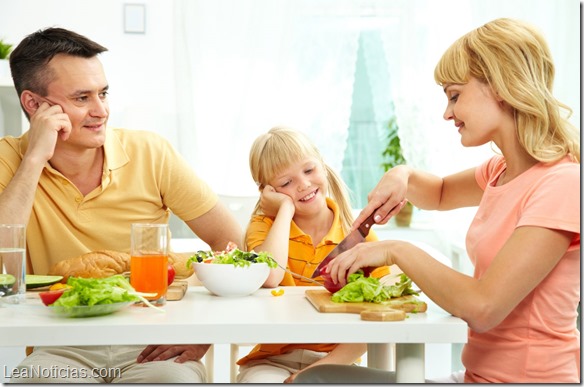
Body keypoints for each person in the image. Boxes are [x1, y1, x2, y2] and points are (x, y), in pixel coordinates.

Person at [294, 18, 580, 384]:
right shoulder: (501, 171)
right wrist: (403, 175)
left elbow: (483, 307)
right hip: (477, 377)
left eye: (455, 95)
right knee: (318, 380)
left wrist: (396, 250)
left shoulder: (562, 184)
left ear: (502, 85)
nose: (447, 113)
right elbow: (441, 192)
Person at [0, 27, 243, 383]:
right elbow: (4, 266)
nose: (101, 111)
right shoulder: (10, 159)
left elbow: (234, 248)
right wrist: (35, 158)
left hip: (154, 346)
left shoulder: (151, 153)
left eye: (103, 93)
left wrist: (202, 334)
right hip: (60, 347)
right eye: (82, 98)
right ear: (34, 105)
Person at [235, 126, 396, 383]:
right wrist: (285, 209)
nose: (304, 185)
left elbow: (378, 322)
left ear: (322, 165)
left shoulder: (356, 235)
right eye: (286, 183)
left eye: (309, 170)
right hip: (271, 361)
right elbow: (271, 276)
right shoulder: (264, 227)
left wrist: (309, 375)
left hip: (336, 363)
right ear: (268, 193)